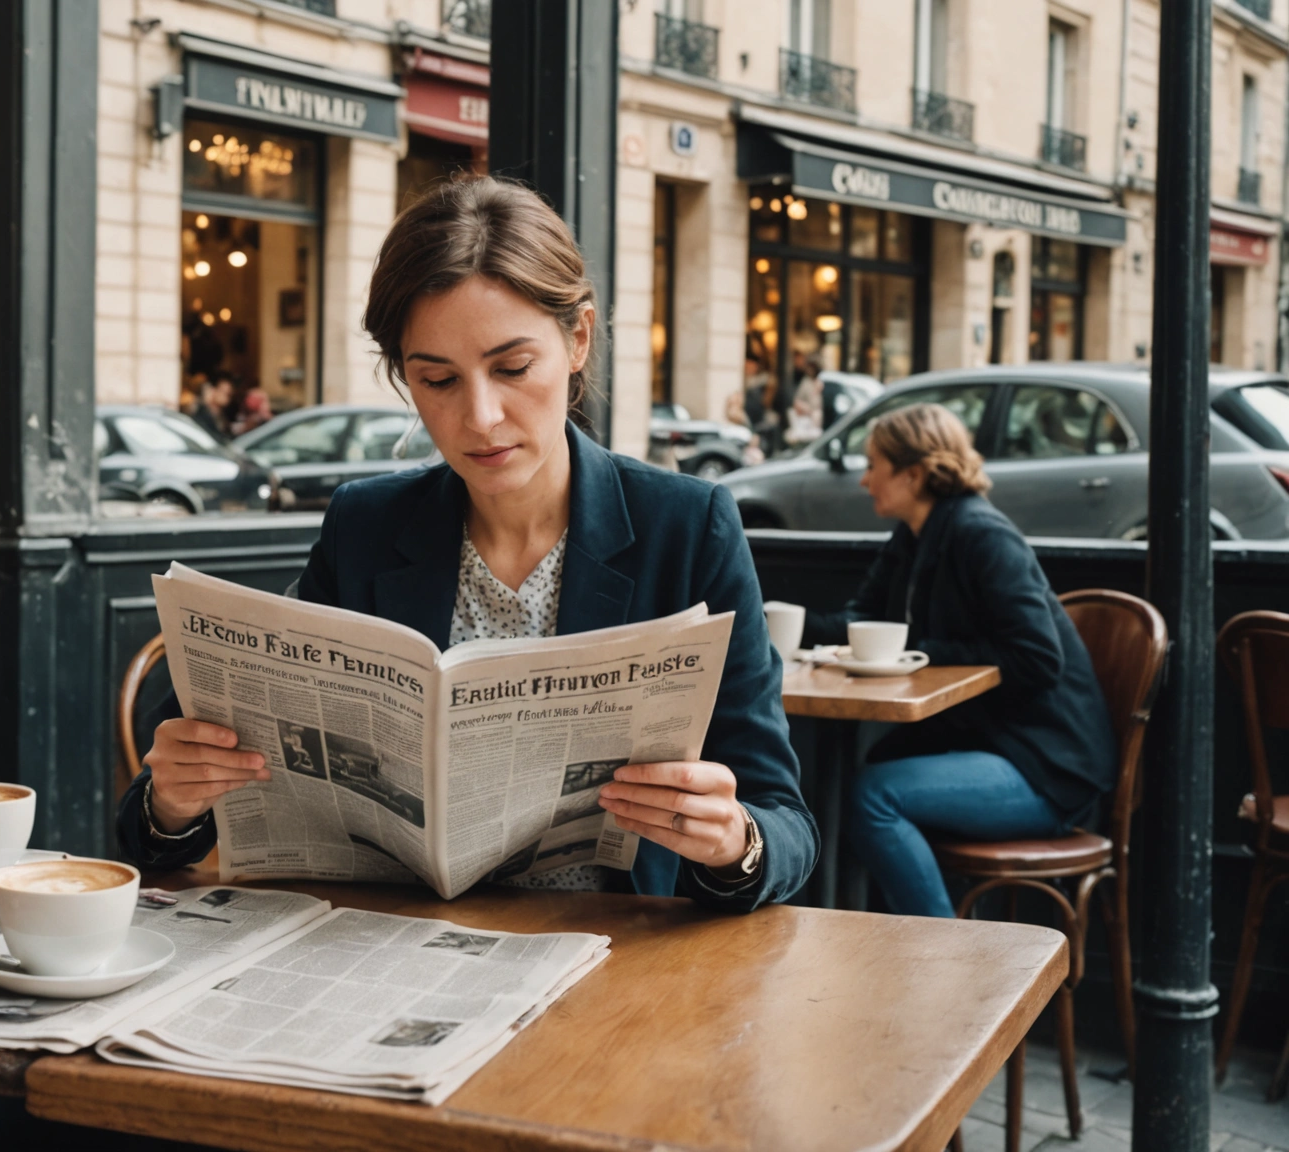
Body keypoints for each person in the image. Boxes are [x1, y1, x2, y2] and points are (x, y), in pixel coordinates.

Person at [120, 177, 817, 907]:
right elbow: (150, 839)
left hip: (610, 963)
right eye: (438, 380)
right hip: (388, 948)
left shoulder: (688, 525)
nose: (480, 417)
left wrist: (734, 840)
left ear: (577, 339)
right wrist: (172, 802)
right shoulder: (366, 525)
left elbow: (785, 823)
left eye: (512, 369)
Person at [804, 403, 1116, 918]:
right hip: (990, 746)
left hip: (1046, 768)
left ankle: (948, 965)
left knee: (874, 796)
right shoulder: (914, 534)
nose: (863, 480)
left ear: (913, 472)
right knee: (873, 771)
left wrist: (921, 653)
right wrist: (775, 622)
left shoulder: (982, 535)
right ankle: (878, 954)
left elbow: (1038, 658)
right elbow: (862, 619)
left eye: (873, 463)